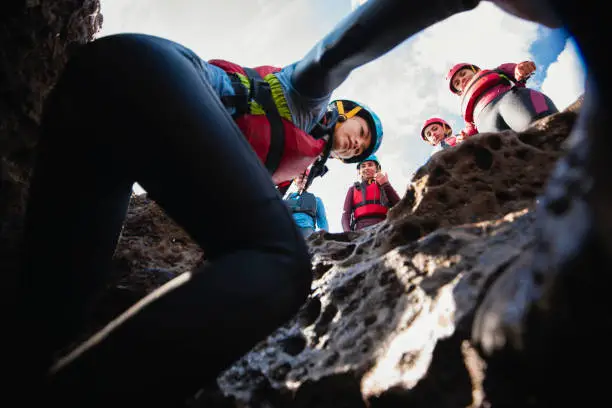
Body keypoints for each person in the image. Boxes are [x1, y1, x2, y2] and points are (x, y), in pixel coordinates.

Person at [15, 0, 495, 404]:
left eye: (364, 149)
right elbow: (338, 51)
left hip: (96, 123)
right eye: (360, 131)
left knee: (52, 320)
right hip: (141, 69)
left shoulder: (293, 168)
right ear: (344, 113)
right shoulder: (307, 100)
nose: (356, 144)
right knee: (283, 263)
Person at [446, 60, 559, 138]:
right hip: (486, 125)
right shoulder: (465, 111)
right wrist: (466, 137)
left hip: (510, 100)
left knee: (540, 126)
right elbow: (471, 129)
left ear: (474, 70)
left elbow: (512, 69)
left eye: (463, 73)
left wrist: (520, 69)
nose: (462, 79)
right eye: (457, 83)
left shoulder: (496, 71)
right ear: (459, 91)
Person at [341, 155, 401, 232]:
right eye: (363, 166)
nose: (366, 168)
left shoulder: (384, 186)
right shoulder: (353, 189)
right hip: (360, 229)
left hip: (384, 228)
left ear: (377, 169)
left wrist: (386, 184)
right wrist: (347, 232)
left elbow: (400, 205)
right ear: (359, 171)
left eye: (370, 165)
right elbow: (346, 214)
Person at [284, 169, 329, 237]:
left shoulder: (316, 200)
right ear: (295, 180)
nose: (304, 180)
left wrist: (325, 237)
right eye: (301, 177)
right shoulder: (287, 199)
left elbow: (323, 221)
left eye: (306, 178)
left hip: (306, 230)